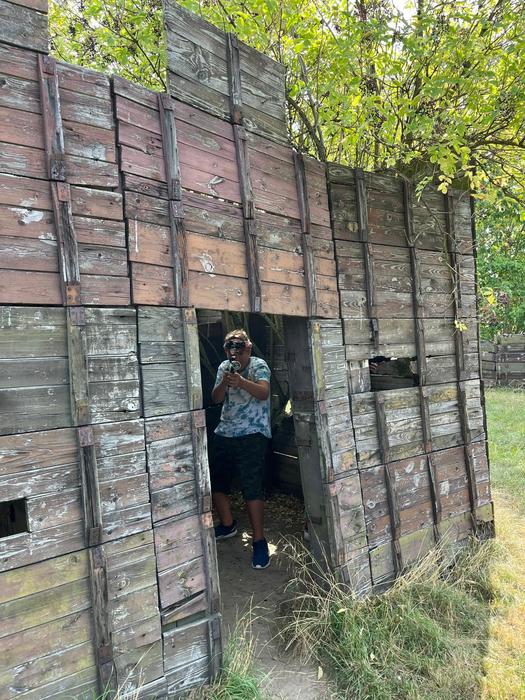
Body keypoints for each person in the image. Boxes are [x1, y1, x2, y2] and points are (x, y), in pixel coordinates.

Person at [210, 329, 271, 570]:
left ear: (248, 347)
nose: (234, 351)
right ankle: (228, 524)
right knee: (216, 480)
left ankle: (259, 540)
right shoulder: (224, 367)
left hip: (253, 432)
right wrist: (224, 383)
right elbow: (216, 399)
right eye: (229, 347)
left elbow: (264, 392)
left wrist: (242, 382)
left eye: (238, 346)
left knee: (251, 487)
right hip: (225, 430)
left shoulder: (258, 365)